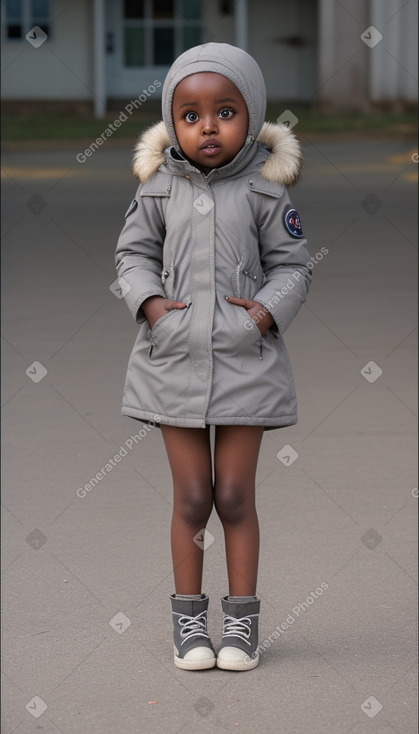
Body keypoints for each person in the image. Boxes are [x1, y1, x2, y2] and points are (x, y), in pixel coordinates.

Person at [115, 43, 311, 671]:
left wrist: (261, 313)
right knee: (193, 495)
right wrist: (149, 305)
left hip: (244, 361)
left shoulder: (264, 189)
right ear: (173, 122)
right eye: (192, 114)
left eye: (224, 112)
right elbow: (131, 256)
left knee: (234, 494)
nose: (208, 127)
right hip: (173, 360)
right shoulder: (157, 187)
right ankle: (190, 625)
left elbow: (294, 266)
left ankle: (243, 625)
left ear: (250, 117)